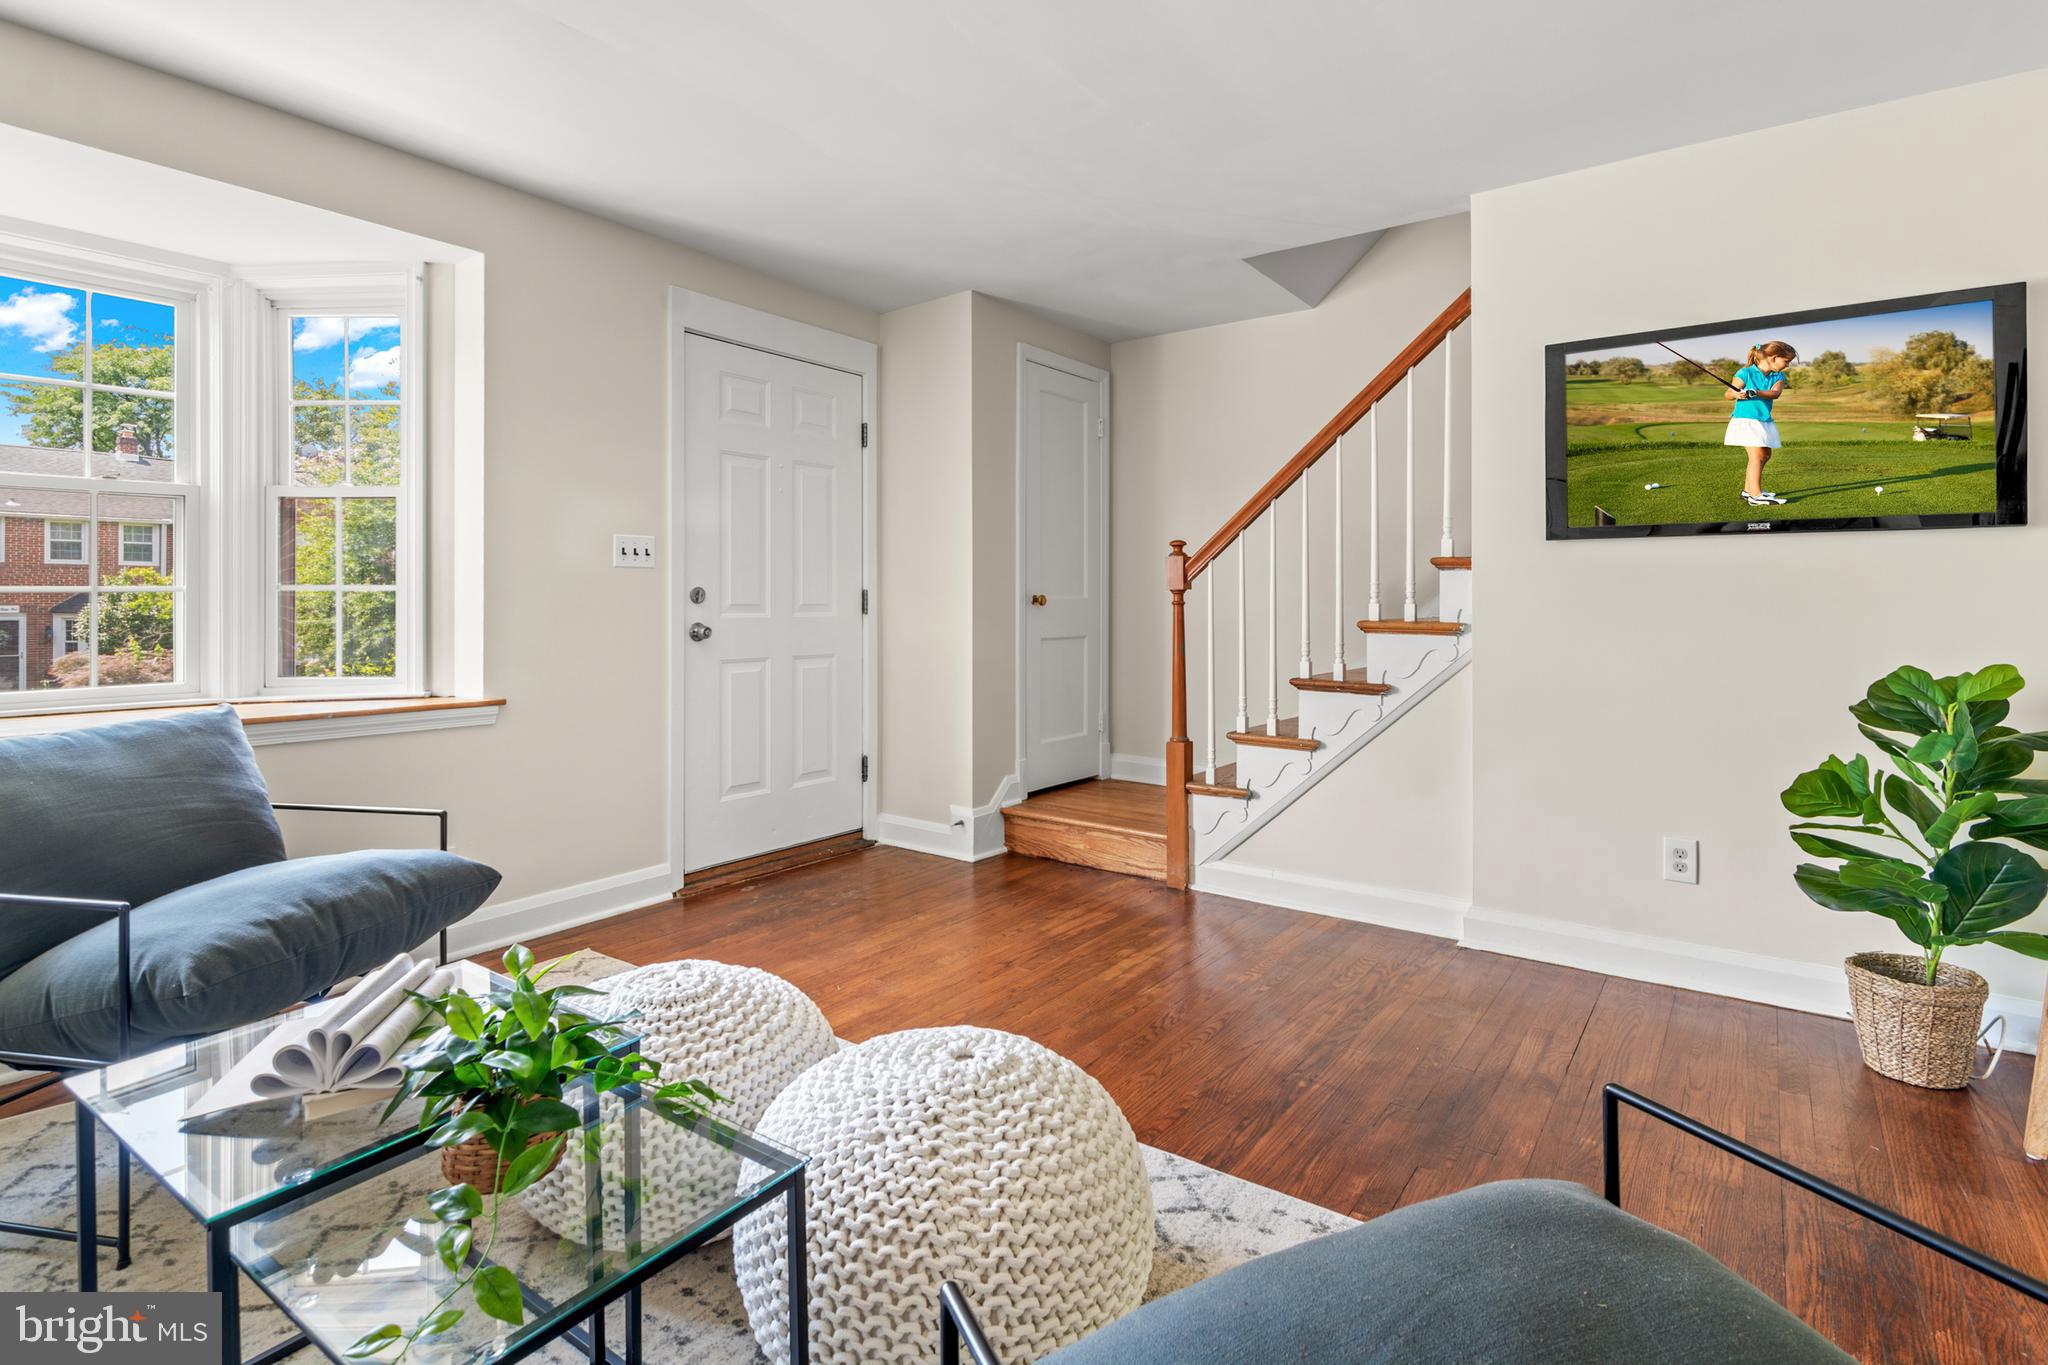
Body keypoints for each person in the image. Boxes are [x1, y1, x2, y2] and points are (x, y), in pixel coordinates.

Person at [1726, 340, 1797, 505]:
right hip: (1746, 420)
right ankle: (1756, 496)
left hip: (1763, 419)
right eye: (1786, 361)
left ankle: (1748, 490)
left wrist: (1754, 392)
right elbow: (1728, 394)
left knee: (1765, 455)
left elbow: (1775, 393)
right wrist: (1737, 394)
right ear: (1773, 358)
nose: (1787, 365)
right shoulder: (1745, 373)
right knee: (1757, 456)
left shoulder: (1778, 376)